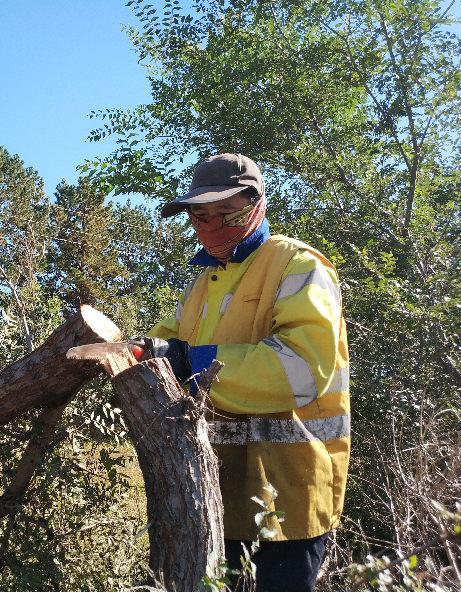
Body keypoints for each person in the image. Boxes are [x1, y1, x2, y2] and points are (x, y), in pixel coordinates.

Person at [130, 153, 350, 592]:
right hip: (212, 496)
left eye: (226, 214)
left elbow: (303, 368)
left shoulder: (297, 265)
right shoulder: (201, 282)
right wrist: (128, 351)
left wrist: (185, 361)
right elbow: (165, 343)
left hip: (286, 501)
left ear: (258, 204)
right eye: (199, 215)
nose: (210, 228)